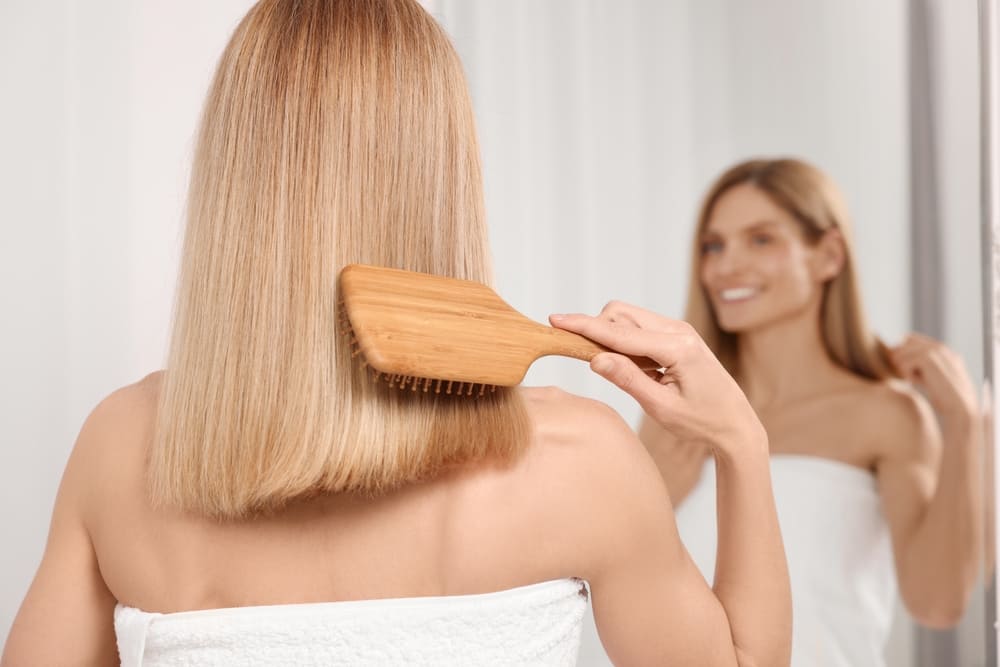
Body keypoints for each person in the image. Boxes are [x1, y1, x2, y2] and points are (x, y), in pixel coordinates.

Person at [1, 2, 791, 665]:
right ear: (444, 181)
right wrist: (741, 442)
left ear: (232, 180)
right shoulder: (580, 461)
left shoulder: (124, 448)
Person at [638, 157, 983, 666]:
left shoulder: (886, 416)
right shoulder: (674, 411)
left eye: (761, 239)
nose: (726, 266)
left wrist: (966, 427)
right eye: (713, 246)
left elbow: (937, 603)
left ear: (828, 256)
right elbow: (618, 587)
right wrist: (652, 498)